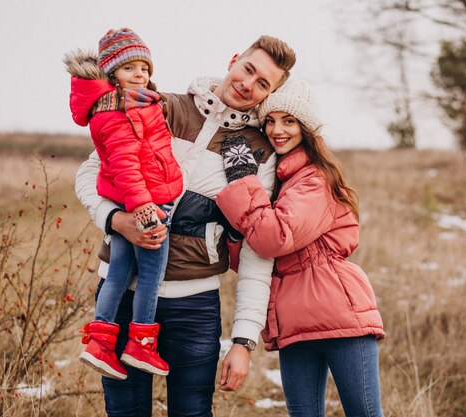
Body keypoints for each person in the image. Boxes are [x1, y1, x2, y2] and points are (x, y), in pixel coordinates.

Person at [75, 35, 296, 416]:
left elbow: (258, 252)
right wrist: (115, 220)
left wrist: (243, 340)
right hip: (121, 291)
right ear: (233, 60)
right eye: (248, 69)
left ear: (269, 94)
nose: (248, 84)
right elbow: (91, 171)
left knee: (192, 412)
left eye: (263, 84)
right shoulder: (160, 106)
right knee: (124, 410)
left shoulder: (259, 153)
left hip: (194, 305)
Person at [215, 79, 386, 417]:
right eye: (270, 121)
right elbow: (254, 252)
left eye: (289, 121)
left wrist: (241, 181)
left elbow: (274, 237)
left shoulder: (314, 179)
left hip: (340, 316)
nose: (277, 130)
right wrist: (235, 232)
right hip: (292, 324)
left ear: (306, 127)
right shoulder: (278, 182)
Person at [65, 28, 183, 379]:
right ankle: (141, 344)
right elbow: (126, 166)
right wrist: (145, 208)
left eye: (144, 68)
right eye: (130, 68)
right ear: (112, 72)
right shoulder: (122, 109)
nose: (140, 75)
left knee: (118, 272)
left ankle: (100, 343)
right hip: (149, 202)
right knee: (150, 275)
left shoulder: (128, 103)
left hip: (128, 200)